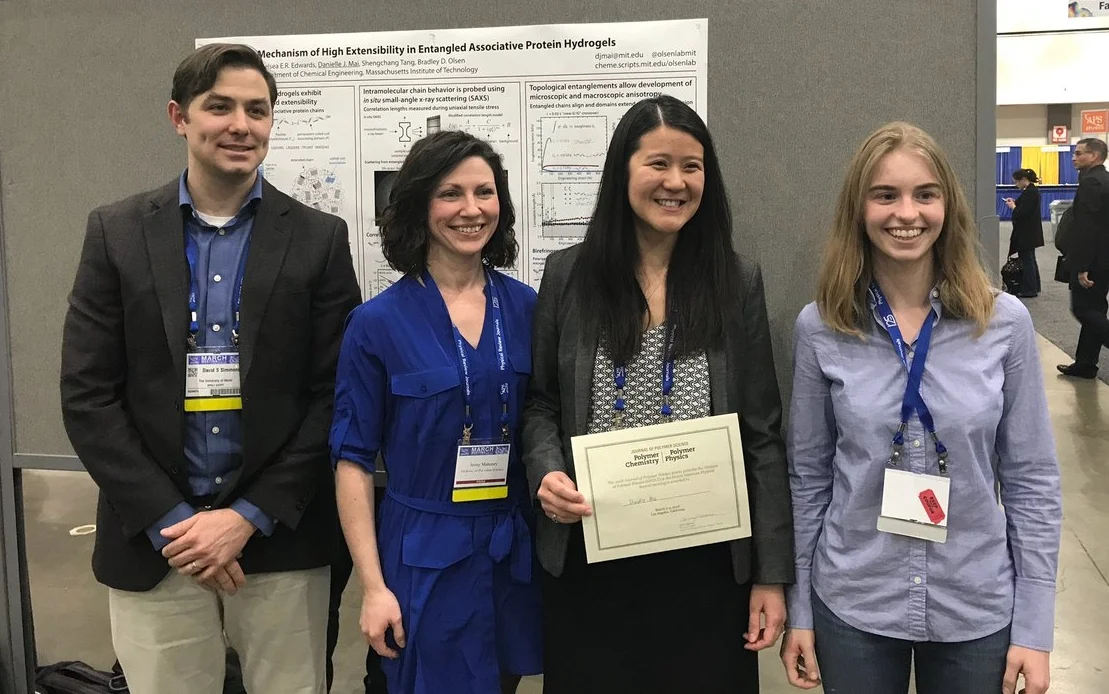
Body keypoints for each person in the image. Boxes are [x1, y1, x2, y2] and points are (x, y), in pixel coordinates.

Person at [59, 43, 362, 694]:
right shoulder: (115, 232)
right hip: (155, 544)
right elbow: (87, 395)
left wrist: (245, 517)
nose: (240, 124)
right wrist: (179, 525)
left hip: (282, 537)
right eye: (219, 106)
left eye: (257, 109)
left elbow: (336, 395)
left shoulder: (319, 239)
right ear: (179, 117)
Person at [521, 94, 793, 694]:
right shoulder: (569, 274)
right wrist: (546, 473)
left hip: (705, 564)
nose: (676, 182)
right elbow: (541, 403)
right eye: (658, 164)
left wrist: (771, 577)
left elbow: (763, 436)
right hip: (591, 553)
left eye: (691, 167)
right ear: (624, 171)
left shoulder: (735, 279)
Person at [780, 122, 1060, 694]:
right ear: (859, 209)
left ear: (947, 206)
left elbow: (1032, 481)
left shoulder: (1003, 324)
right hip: (855, 599)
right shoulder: (822, 327)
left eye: (925, 194)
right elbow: (807, 478)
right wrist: (801, 609)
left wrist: (1034, 627)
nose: (906, 213)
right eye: (886, 195)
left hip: (975, 604)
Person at [330, 130, 542, 694]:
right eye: (451, 194)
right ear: (421, 207)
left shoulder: (528, 309)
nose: (472, 210)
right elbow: (351, 462)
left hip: (508, 548)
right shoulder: (376, 324)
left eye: (485, 192)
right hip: (420, 556)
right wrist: (373, 588)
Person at [1057, 137, 1109, 378]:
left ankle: (1086, 362)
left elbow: (1087, 229)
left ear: (1095, 156)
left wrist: (1082, 267)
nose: (1074, 158)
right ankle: (1086, 363)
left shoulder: (1091, 184)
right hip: (1102, 257)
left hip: (1094, 261)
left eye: (1079, 154)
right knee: (1095, 310)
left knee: (1084, 310)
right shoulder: (1103, 180)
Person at [1003, 168, 1044, 297]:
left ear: (1023, 180)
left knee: (1027, 260)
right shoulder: (1030, 191)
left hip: (1027, 232)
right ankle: (1034, 286)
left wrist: (1013, 207)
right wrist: (1015, 203)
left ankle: (1030, 289)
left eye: (1016, 182)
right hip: (1030, 232)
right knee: (1030, 259)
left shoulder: (1030, 192)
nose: (1016, 185)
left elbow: (1022, 212)